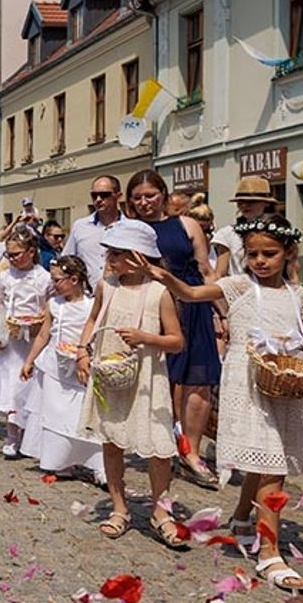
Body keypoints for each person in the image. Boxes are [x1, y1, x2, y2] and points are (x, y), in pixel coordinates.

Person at [141, 213, 303, 586]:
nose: (260, 261)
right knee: (272, 464)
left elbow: (302, 332)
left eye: (269, 254)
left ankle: (242, 517)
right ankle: (270, 554)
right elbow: (193, 293)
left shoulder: (299, 295)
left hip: (286, 385)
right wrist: (166, 277)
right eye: (252, 254)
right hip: (248, 385)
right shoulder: (238, 286)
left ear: (288, 253)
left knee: (265, 459)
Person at [75, 221, 186, 549]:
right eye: (109, 251)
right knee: (111, 440)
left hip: (148, 378)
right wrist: (83, 351)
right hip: (111, 374)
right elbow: (94, 319)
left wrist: (145, 338)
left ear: (140, 256)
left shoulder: (158, 292)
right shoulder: (106, 286)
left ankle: (160, 511)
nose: (110, 258)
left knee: (158, 446)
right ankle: (119, 506)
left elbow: (177, 340)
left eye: (118, 253)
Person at [126, 169, 220, 490]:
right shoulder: (130, 229)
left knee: (199, 381)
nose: (144, 202)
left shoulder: (186, 224)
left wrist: (223, 313)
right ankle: (164, 444)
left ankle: (191, 452)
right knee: (160, 381)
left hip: (193, 304)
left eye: (150, 195)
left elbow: (206, 271)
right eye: (137, 198)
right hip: (154, 307)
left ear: (164, 195)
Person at [18, 256, 103, 483]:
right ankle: (58, 462)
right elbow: (45, 334)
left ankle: (95, 463)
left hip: (81, 365)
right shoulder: (55, 304)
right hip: (54, 366)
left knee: (82, 414)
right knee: (55, 414)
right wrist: (29, 360)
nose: (53, 284)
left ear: (74, 279)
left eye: (57, 280)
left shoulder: (91, 305)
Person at [0, 228, 51, 459]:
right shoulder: (5, 277)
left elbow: (49, 305)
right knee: (12, 386)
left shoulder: (43, 277)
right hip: (12, 339)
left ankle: (31, 436)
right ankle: (12, 435)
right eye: (9, 255)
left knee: (32, 386)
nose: (12, 259)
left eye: (16, 254)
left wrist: (43, 320)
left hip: (35, 339)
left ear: (31, 252)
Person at [62, 176, 125, 288]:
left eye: (104, 195)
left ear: (118, 196)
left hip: (120, 296)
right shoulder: (80, 227)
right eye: (94, 195)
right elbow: (67, 260)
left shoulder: (130, 228)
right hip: (88, 298)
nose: (98, 199)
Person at [212, 177, 277, 278]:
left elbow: (292, 268)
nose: (244, 205)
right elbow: (220, 273)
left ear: (266, 203)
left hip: (273, 290)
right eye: (240, 202)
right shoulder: (228, 233)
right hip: (240, 290)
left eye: (251, 202)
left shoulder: (279, 231)